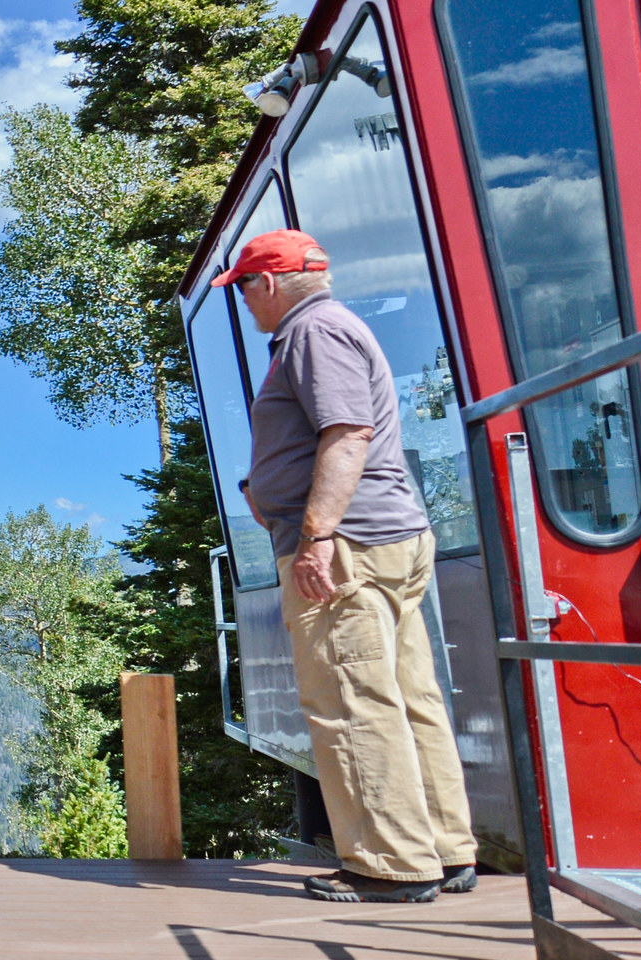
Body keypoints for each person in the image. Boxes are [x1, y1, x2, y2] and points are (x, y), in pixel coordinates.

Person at [224, 229, 476, 903]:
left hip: (348, 549)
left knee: (349, 699)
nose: (246, 307)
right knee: (406, 694)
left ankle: (389, 864)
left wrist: (315, 536)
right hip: (380, 539)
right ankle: (444, 849)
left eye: (244, 291)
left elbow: (346, 432)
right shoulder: (330, 330)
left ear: (269, 283)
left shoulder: (314, 334)